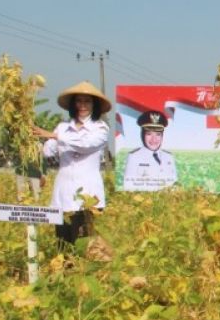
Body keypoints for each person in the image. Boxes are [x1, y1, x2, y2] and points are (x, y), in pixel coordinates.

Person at [34, 81, 111, 247]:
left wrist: (55, 136)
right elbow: (48, 151)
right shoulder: (62, 127)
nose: (82, 105)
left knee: (84, 243)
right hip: (63, 193)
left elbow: (86, 145)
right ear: (73, 104)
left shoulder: (100, 128)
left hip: (88, 195)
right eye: (79, 101)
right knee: (63, 242)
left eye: (87, 101)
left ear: (94, 105)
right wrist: (36, 141)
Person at [123, 110, 178, 191]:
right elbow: (128, 188)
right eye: (149, 134)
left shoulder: (168, 157)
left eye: (158, 134)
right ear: (142, 135)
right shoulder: (134, 157)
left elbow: (175, 186)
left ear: (162, 136)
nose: (154, 139)